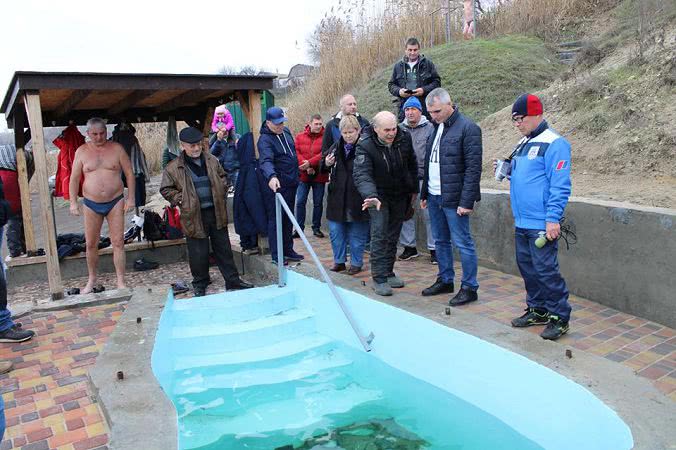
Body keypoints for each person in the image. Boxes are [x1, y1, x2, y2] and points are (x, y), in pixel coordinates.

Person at [503, 93, 572, 340]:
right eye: (514, 120)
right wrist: (508, 172)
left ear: (536, 115)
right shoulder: (524, 143)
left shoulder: (555, 143)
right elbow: (528, 178)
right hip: (522, 221)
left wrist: (553, 218)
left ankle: (559, 317)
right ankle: (538, 309)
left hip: (542, 223)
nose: (517, 123)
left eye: (520, 118)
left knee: (546, 271)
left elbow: (560, 185)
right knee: (528, 269)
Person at [160, 126, 253, 297]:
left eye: (198, 145)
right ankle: (200, 283)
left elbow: (223, 176)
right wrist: (180, 198)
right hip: (192, 214)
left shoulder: (211, 160)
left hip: (216, 211)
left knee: (224, 248)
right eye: (191, 146)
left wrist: (223, 187)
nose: (196, 148)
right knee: (198, 252)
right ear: (183, 146)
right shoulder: (173, 168)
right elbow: (165, 189)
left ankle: (232, 281)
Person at [420, 88, 482, 306]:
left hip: (455, 198)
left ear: (449, 104)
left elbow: (473, 169)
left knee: (463, 242)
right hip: (435, 196)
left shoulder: (468, 128)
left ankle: (469, 287)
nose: (432, 116)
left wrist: (466, 201)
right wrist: (425, 192)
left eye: (436, 111)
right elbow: (429, 162)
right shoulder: (435, 127)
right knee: (440, 241)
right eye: (430, 112)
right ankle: (446, 279)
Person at [353, 111, 418, 296]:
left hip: (399, 194)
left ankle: (389, 272)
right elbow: (362, 174)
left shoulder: (404, 138)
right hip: (378, 197)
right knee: (380, 235)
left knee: (393, 235)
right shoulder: (365, 145)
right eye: (387, 130)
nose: (391, 133)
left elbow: (411, 163)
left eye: (394, 128)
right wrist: (371, 195)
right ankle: (379, 277)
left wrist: (413, 189)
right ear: (376, 129)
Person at [69, 118, 135, 293]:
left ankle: (120, 281)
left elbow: (129, 173)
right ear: (88, 134)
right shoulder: (82, 151)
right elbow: (74, 178)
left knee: (118, 241)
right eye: (95, 134)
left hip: (115, 200)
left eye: (102, 133)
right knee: (91, 243)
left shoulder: (116, 148)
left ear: (106, 131)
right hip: (91, 202)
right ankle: (91, 280)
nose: (99, 137)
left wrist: (131, 198)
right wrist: (73, 202)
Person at [321, 115, 370, 275]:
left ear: (358, 131)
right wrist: (326, 163)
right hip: (337, 198)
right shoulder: (336, 146)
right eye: (345, 132)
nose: (348, 136)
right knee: (336, 232)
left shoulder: (365, 147)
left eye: (351, 132)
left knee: (357, 234)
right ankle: (339, 261)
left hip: (357, 198)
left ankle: (356, 263)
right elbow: (323, 164)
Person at [259, 107, 304, 263]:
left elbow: (292, 153)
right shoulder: (264, 140)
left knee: (288, 218)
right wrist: (271, 176)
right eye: (277, 124)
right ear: (269, 122)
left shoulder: (286, 133)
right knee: (276, 219)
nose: (280, 126)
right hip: (277, 186)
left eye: (282, 123)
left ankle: (288, 249)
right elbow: (265, 161)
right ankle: (277, 254)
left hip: (292, 182)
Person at [396, 97, 436, 264]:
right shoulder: (399, 129)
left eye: (413, 109)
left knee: (430, 214)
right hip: (405, 179)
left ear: (420, 111)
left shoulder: (430, 128)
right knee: (406, 214)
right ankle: (409, 247)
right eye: (407, 110)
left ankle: (434, 249)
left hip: (425, 178)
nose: (410, 112)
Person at [388, 37, 441, 121]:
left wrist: (424, 90)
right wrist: (399, 91)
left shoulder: (427, 64)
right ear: (405, 50)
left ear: (419, 50)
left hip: (424, 107)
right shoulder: (398, 66)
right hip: (404, 107)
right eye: (410, 50)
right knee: (405, 132)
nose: (412, 53)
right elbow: (391, 85)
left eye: (415, 50)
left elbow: (437, 83)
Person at [294, 114, 327, 238]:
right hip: (303, 175)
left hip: (319, 175)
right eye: (316, 124)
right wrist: (306, 166)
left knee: (318, 203)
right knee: (300, 201)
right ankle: (298, 229)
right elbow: (296, 152)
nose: (318, 126)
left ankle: (316, 228)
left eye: (320, 124)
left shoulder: (325, 137)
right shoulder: (299, 137)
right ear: (310, 123)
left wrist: (311, 164)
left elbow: (324, 152)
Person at [0, 144, 33, 258]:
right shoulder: (29, 157)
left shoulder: (9, 148)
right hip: (6, 175)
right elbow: (25, 178)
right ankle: (15, 250)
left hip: (4, 173)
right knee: (14, 212)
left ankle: (21, 247)